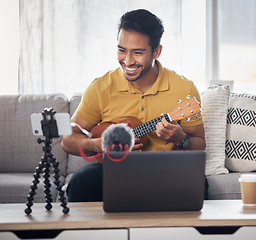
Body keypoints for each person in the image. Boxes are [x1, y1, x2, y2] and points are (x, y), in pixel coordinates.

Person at [61, 9, 208, 202]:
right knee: (80, 182)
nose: (128, 61)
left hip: (165, 168)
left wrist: (181, 139)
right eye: (122, 50)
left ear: (157, 51)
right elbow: (67, 140)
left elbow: (199, 144)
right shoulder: (101, 87)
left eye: (137, 53)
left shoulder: (184, 88)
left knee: (198, 182)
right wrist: (100, 144)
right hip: (114, 167)